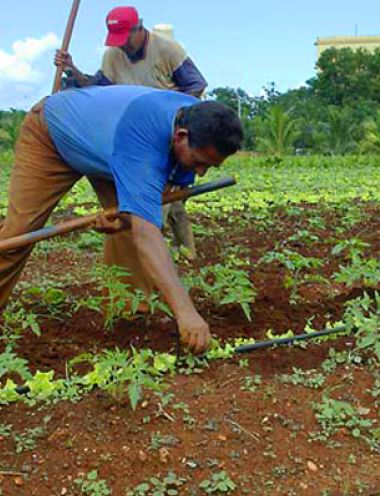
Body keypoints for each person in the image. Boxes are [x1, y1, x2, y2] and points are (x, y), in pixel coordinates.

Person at [0, 85, 243, 353]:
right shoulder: (144, 142)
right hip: (52, 134)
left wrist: (126, 219)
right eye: (198, 162)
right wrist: (186, 312)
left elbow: (148, 206)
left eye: (210, 166)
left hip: (111, 150)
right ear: (180, 136)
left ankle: (130, 320)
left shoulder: (197, 117)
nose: (200, 173)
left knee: (131, 226)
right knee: (18, 234)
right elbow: (147, 233)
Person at [54, 6, 207, 257]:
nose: (122, 45)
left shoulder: (168, 49)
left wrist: (168, 113)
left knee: (157, 203)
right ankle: (186, 254)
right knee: (170, 201)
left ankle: (157, 260)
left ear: (140, 28)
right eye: (118, 40)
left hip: (167, 136)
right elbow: (98, 89)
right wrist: (72, 69)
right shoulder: (113, 54)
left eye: (126, 38)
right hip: (134, 138)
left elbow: (196, 85)